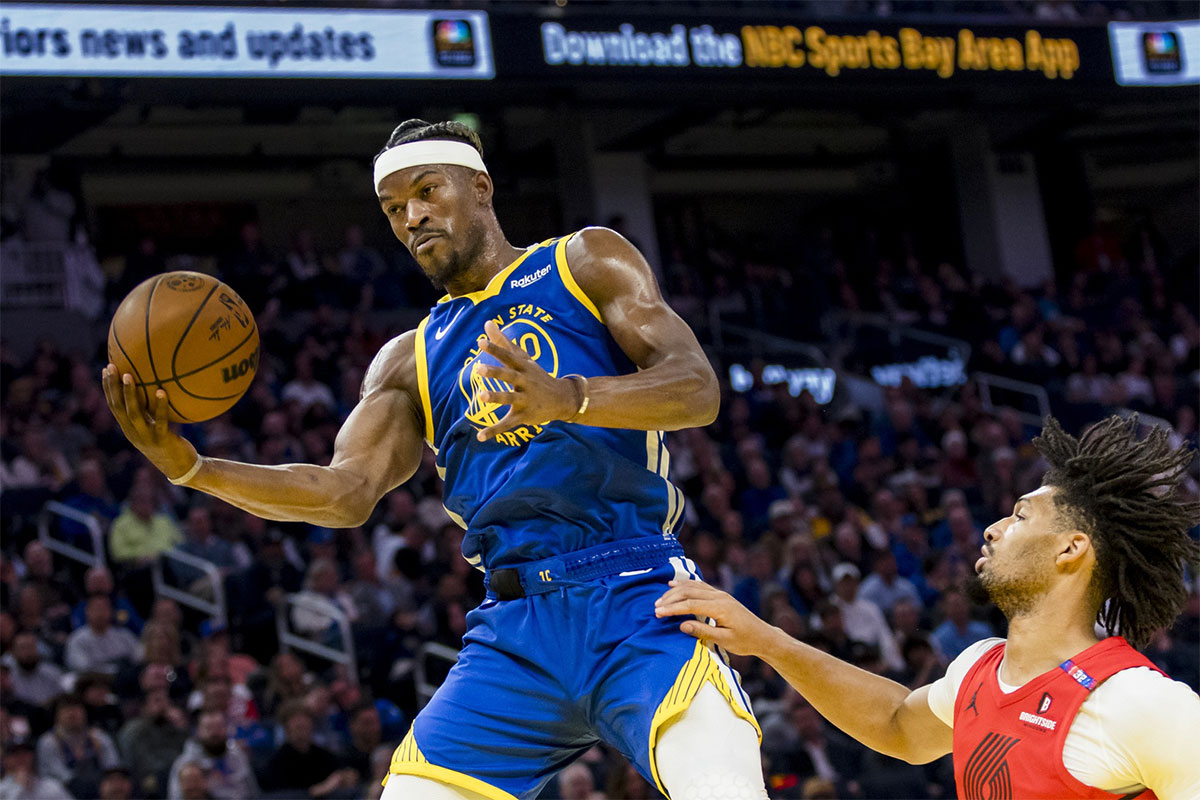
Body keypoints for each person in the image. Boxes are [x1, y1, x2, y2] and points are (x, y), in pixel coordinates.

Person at [103, 118, 766, 800]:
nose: (412, 217)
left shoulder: (584, 261)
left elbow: (697, 388)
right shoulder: (407, 358)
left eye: (426, 191)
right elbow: (345, 491)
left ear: (479, 186)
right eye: (393, 209)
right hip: (515, 630)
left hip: (637, 596)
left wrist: (568, 396)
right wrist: (191, 467)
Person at [657, 416, 1200, 799]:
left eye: (1020, 516)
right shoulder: (978, 666)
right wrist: (767, 642)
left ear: (1070, 548)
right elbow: (897, 727)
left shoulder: (1140, 702)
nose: (993, 528)